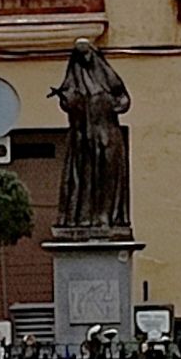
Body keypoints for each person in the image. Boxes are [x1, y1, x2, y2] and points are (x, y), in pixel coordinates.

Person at [50, 39, 131, 235]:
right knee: (83, 179)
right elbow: (68, 102)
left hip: (107, 135)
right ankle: (82, 218)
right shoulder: (73, 82)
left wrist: (112, 105)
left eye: (87, 54)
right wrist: (68, 100)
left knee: (107, 177)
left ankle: (105, 217)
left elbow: (124, 100)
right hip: (83, 140)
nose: (85, 60)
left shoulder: (109, 80)